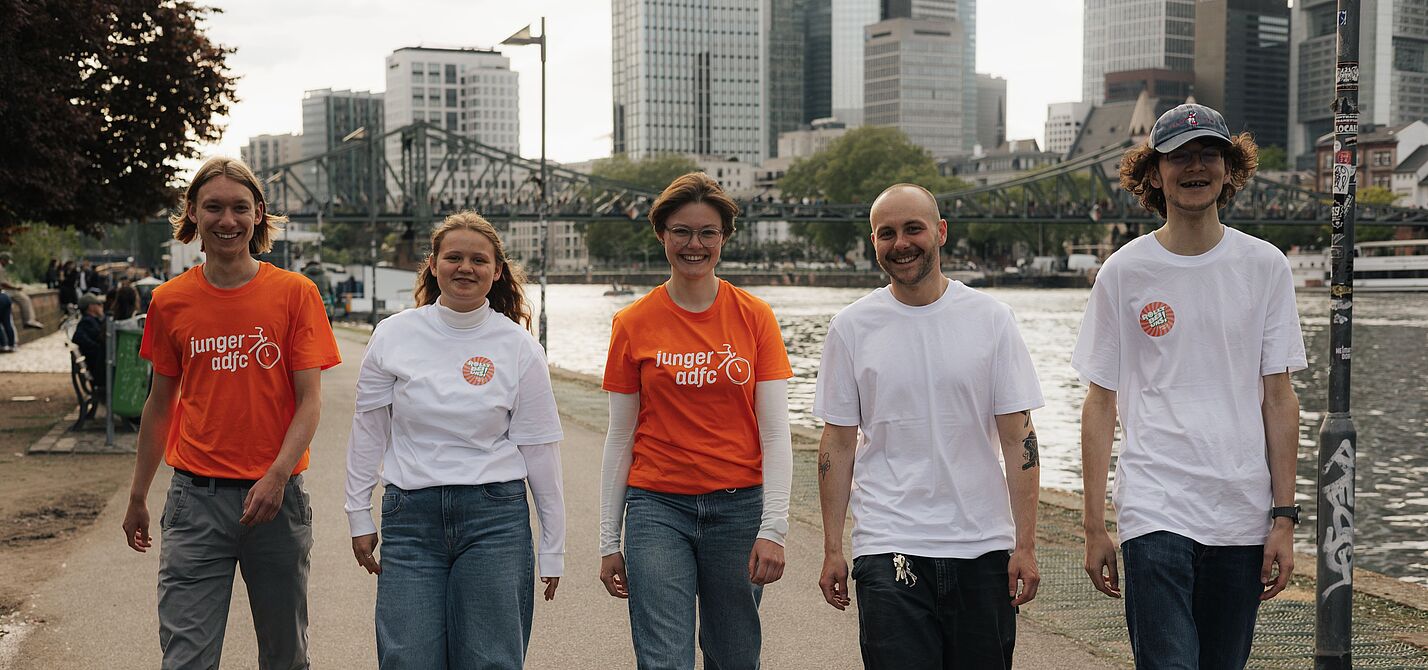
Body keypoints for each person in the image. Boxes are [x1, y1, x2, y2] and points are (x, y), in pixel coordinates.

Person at [1075, 103, 1305, 668]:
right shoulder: (1124, 272)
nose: (1194, 167)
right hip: (1156, 506)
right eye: (1179, 157)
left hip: (1240, 509)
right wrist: (1094, 525)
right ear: (1154, 173)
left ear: (1230, 170)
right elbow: (1100, 402)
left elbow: (1279, 399)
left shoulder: (1266, 266)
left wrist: (1284, 518)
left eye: (1209, 155)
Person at [120, 156, 341, 669]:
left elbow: (310, 399)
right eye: (213, 207)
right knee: (186, 659)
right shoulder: (170, 301)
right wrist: (137, 495)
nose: (227, 220)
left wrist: (278, 474)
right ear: (193, 213)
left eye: (240, 208)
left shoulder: (295, 294)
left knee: (285, 657)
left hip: (277, 502)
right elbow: (159, 404)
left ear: (259, 213)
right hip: (196, 501)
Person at [813, 183, 1045, 668]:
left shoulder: (992, 319)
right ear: (873, 241)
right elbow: (837, 442)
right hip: (888, 544)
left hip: (982, 547)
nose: (901, 243)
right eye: (887, 233)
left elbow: (1018, 436)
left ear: (941, 232)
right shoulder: (852, 327)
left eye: (913, 229)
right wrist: (832, 547)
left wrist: (1025, 544)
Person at [344, 212, 566, 669]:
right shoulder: (393, 334)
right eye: (454, 257)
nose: (466, 267)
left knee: (490, 661)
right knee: (407, 659)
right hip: (411, 518)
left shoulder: (519, 347)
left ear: (497, 270)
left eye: (479, 260)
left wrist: (553, 545)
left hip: (495, 519)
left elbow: (540, 449)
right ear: (433, 264)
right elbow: (369, 428)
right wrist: (357, 513)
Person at [598, 172, 793, 669]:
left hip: (740, 510)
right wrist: (608, 539)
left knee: (734, 656)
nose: (694, 244)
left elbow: (774, 432)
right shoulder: (632, 323)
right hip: (657, 509)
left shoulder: (755, 317)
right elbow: (620, 437)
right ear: (661, 234)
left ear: (724, 238)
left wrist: (774, 528)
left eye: (708, 232)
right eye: (681, 231)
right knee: (663, 658)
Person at [0, 251, 46, 330]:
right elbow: (3, 283)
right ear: (3, 260)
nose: (7, 264)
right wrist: (15, 288)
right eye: (7, 261)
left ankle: (30, 320)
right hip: (4, 291)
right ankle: (28, 320)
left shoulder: (2, 267)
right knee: (24, 299)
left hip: (4, 291)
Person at [72, 294, 108, 392]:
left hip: (97, 369)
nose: (101, 307)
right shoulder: (88, 322)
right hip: (99, 373)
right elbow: (78, 337)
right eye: (98, 304)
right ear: (91, 307)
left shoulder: (91, 321)